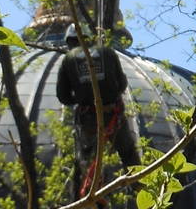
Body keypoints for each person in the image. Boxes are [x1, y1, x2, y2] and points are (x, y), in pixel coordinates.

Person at [55, 33, 136, 196]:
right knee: (127, 152)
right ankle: (138, 185)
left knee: (89, 158)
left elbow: (62, 95)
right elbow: (121, 83)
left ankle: (92, 197)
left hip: (89, 118)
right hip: (114, 113)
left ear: (71, 42)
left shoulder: (68, 58)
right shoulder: (107, 52)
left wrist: (80, 100)